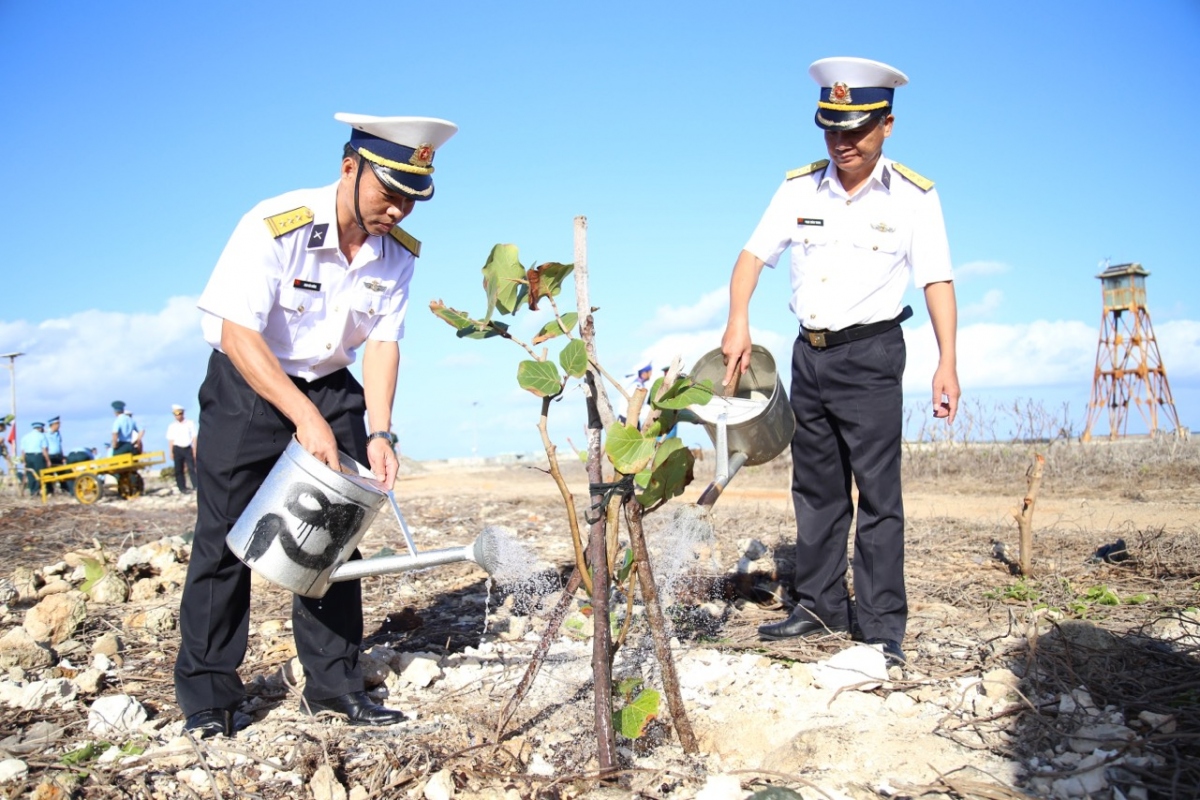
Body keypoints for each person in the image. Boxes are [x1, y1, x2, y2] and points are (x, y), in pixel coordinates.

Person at [173, 112, 457, 739]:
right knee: (225, 539)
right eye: (390, 194)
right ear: (349, 168)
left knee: (334, 537)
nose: (400, 213)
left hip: (331, 387)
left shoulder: (397, 254)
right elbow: (236, 333)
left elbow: (383, 343)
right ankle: (209, 696)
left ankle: (333, 687)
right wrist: (302, 419)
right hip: (250, 382)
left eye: (413, 200)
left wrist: (380, 432)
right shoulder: (276, 226)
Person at [721, 57, 959, 668]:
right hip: (811, 354)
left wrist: (947, 361)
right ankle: (821, 605)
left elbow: (937, 281)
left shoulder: (913, 197)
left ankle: (881, 627)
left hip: (873, 355)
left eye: (856, 130)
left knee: (879, 495)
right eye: (831, 129)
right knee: (817, 489)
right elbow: (751, 256)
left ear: (887, 125)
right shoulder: (799, 188)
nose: (843, 142)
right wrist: (738, 319)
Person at [165, 405, 198, 493]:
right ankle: (182, 488)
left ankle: (196, 486)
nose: (178, 415)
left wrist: (195, 449)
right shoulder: (172, 426)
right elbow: (170, 440)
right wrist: (171, 451)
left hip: (187, 447)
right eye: (176, 414)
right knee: (178, 469)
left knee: (191, 468)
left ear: (183, 413)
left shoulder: (190, 423)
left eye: (179, 413)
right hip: (177, 448)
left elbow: (194, 437)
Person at [19, 422, 51, 497]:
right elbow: (44, 450)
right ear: (40, 428)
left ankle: (33, 492)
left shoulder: (25, 437)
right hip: (38, 456)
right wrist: (48, 460)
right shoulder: (42, 436)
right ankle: (39, 491)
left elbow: (23, 451)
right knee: (39, 474)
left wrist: (24, 461)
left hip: (28, 457)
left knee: (30, 475)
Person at [44, 417, 65, 495]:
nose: (59, 426)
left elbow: (60, 445)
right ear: (53, 424)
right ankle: (50, 492)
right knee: (49, 475)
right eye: (58, 424)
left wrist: (62, 457)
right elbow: (44, 447)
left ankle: (64, 490)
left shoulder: (58, 433)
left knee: (62, 474)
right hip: (50, 456)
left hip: (58, 456)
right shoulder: (45, 433)